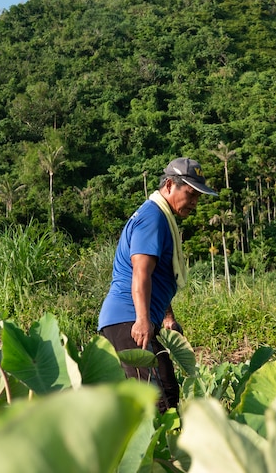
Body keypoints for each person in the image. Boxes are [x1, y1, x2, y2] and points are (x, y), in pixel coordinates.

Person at [98, 157, 217, 412]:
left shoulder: (159, 216)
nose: (195, 202)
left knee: (164, 393)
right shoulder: (153, 218)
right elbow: (141, 273)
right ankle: (158, 451)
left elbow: (160, 274)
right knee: (157, 401)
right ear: (170, 185)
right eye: (191, 193)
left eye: (199, 196)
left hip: (133, 318)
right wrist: (142, 320)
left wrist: (167, 316)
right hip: (128, 319)